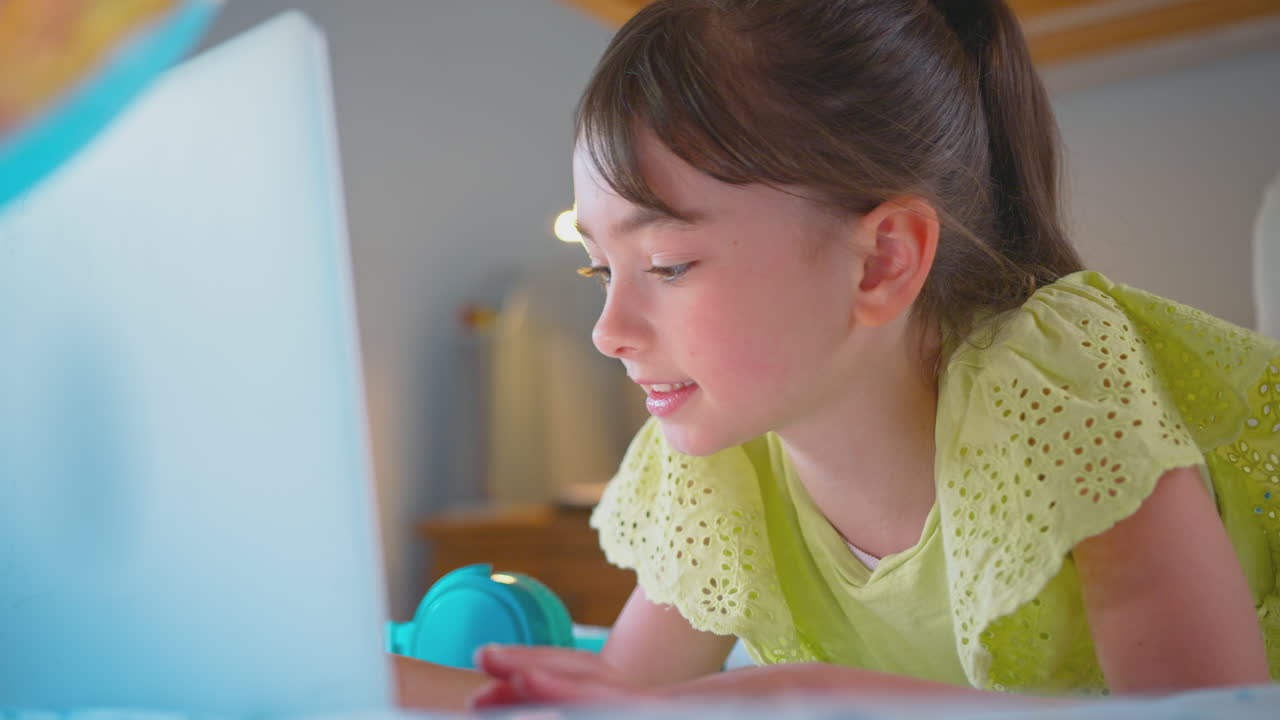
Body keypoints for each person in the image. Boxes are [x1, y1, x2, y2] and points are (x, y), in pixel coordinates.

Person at [399, 0, 1280, 709]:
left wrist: (797, 694)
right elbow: (604, 700)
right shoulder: (723, 459)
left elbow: (1212, 708)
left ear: (883, 260)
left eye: (666, 264)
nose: (607, 330)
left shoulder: (1059, 389)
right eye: (600, 267)